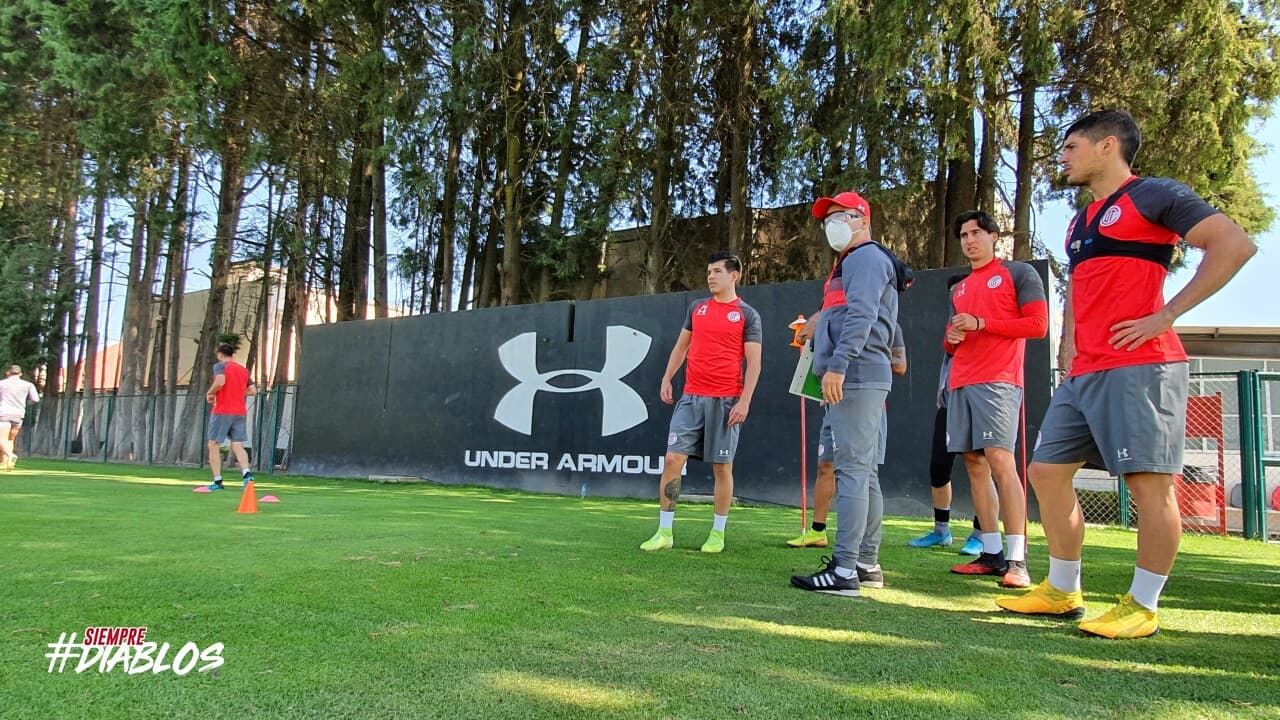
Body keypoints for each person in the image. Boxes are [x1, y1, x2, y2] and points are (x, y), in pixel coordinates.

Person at [997, 110, 1255, 638]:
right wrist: (1068, 343)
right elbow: (1084, 285)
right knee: (1046, 472)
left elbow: (1234, 245)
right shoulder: (1080, 219)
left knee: (1148, 485)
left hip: (1142, 364)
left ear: (1107, 145)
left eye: (1071, 146)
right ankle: (1063, 590)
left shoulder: (1155, 195)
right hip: (1085, 370)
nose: (1063, 157)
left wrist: (1167, 315)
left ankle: (1143, 605)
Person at [791, 191, 901, 597]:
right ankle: (866, 564)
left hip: (853, 374)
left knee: (852, 472)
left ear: (862, 219)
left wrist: (837, 365)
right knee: (864, 472)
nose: (832, 224)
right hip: (860, 373)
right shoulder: (855, 262)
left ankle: (844, 570)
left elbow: (863, 315)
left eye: (841, 216)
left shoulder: (865, 258)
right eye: (828, 218)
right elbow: (861, 313)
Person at [944, 210, 1048, 589]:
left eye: (976, 233)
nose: (969, 240)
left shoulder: (1018, 273)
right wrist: (952, 338)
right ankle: (991, 554)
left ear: (993, 236)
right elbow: (951, 341)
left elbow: (1037, 326)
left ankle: (1018, 560)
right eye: (963, 235)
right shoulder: (959, 289)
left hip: (1000, 381)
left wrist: (983, 324)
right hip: (961, 380)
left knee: (1000, 460)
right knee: (973, 464)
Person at [640, 252, 762, 553]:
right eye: (708, 271)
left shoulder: (748, 315)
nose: (710, 276)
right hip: (691, 397)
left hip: (726, 401)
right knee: (672, 461)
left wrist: (744, 402)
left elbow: (754, 363)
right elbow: (681, 347)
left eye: (718, 271)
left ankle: (717, 533)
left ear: (734, 275)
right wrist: (667, 378)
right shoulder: (697, 309)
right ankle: (664, 532)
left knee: (722, 467)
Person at [787, 322, 905, 551]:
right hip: (835, 404)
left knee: (864, 472)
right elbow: (804, 336)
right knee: (825, 466)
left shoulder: (888, 326)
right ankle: (817, 531)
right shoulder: (838, 321)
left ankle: (864, 548)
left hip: (866, 406)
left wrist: (861, 360)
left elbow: (900, 365)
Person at [907, 275, 984, 555]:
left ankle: (982, 534)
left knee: (979, 467)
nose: (956, 296)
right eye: (952, 292)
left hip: (980, 402)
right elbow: (949, 358)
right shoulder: (953, 326)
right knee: (939, 468)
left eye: (960, 291)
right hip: (949, 403)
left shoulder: (983, 319)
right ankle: (941, 531)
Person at [204, 344, 257, 491]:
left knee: (213, 444)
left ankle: (218, 481)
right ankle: (247, 475)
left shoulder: (220, 366)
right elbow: (253, 391)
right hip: (240, 412)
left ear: (219, 355)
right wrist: (237, 393)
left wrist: (210, 393)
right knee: (237, 444)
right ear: (233, 355)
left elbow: (220, 382)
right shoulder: (243, 370)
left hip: (222, 410)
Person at [0, 365, 40, 470]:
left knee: (1, 438)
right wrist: (25, 404)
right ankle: (6, 463)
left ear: (8, 372)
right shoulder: (28, 385)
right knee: (10, 439)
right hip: (19, 415)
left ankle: (11, 456)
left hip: (3, 413)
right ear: (20, 374)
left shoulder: (2, 384)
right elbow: (35, 399)